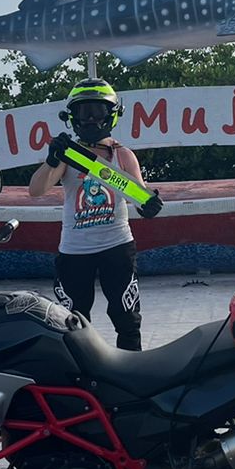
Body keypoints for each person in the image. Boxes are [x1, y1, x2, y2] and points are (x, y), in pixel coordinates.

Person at [28, 78, 163, 351]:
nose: (90, 119)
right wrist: (53, 159)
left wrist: (149, 204)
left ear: (111, 114)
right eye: (83, 112)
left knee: (127, 318)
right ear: (72, 117)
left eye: (97, 112)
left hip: (117, 245)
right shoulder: (68, 155)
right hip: (75, 251)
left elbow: (139, 193)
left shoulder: (122, 154)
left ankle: (130, 375)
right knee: (73, 322)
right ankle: (81, 379)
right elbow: (36, 189)